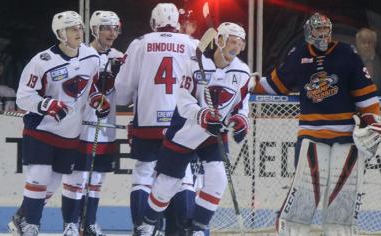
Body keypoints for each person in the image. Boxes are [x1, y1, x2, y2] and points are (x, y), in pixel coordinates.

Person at [250, 13, 381, 235]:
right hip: (311, 135)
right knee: (303, 198)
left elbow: (365, 92)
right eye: (318, 30)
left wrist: (374, 120)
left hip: (345, 136)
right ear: (308, 33)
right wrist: (252, 85)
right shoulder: (298, 55)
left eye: (325, 30)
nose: (322, 34)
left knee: (342, 203)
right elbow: (276, 84)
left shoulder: (346, 54)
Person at [135, 22, 251, 236]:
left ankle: (197, 229)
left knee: (218, 178)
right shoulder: (195, 64)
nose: (236, 47)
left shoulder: (242, 71)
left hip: (214, 134)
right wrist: (203, 115)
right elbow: (183, 100)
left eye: (241, 43)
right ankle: (148, 223)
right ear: (220, 41)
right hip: (185, 131)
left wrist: (241, 119)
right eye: (233, 42)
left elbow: (242, 103)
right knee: (167, 185)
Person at [7, 10, 106, 236]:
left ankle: (22, 217)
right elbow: (23, 96)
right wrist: (47, 105)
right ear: (60, 33)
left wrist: (97, 100)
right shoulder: (42, 61)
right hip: (41, 129)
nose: (78, 32)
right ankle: (31, 226)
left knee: (51, 186)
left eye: (80, 27)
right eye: (73, 29)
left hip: (70, 133)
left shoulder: (91, 56)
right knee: (39, 175)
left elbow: (90, 88)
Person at [113, 3, 198, 235]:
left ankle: (144, 228)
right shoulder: (193, 45)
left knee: (144, 173)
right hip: (183, 122)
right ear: (177, 23)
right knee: (184, 175)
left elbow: (121, 93)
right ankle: (186, 228)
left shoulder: (140, 44)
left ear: (153, 22)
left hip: (148, 121)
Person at [73, 10, 124, 236]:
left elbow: (123, 94)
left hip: (105, 127)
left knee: (96, 179)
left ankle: (90, 223)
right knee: (79, 178)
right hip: (82, 126)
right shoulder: (82, 54)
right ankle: (72, 223)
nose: (111, 32)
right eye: (106, 27)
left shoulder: (120, 56)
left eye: (115, 28)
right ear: (94, 29)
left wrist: (120, 75)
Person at [355, 28, 381, 96]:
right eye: (363, 42)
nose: (367, 45)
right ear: (357, 44)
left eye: (369, 42)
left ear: (375, 44)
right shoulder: (351, 62)